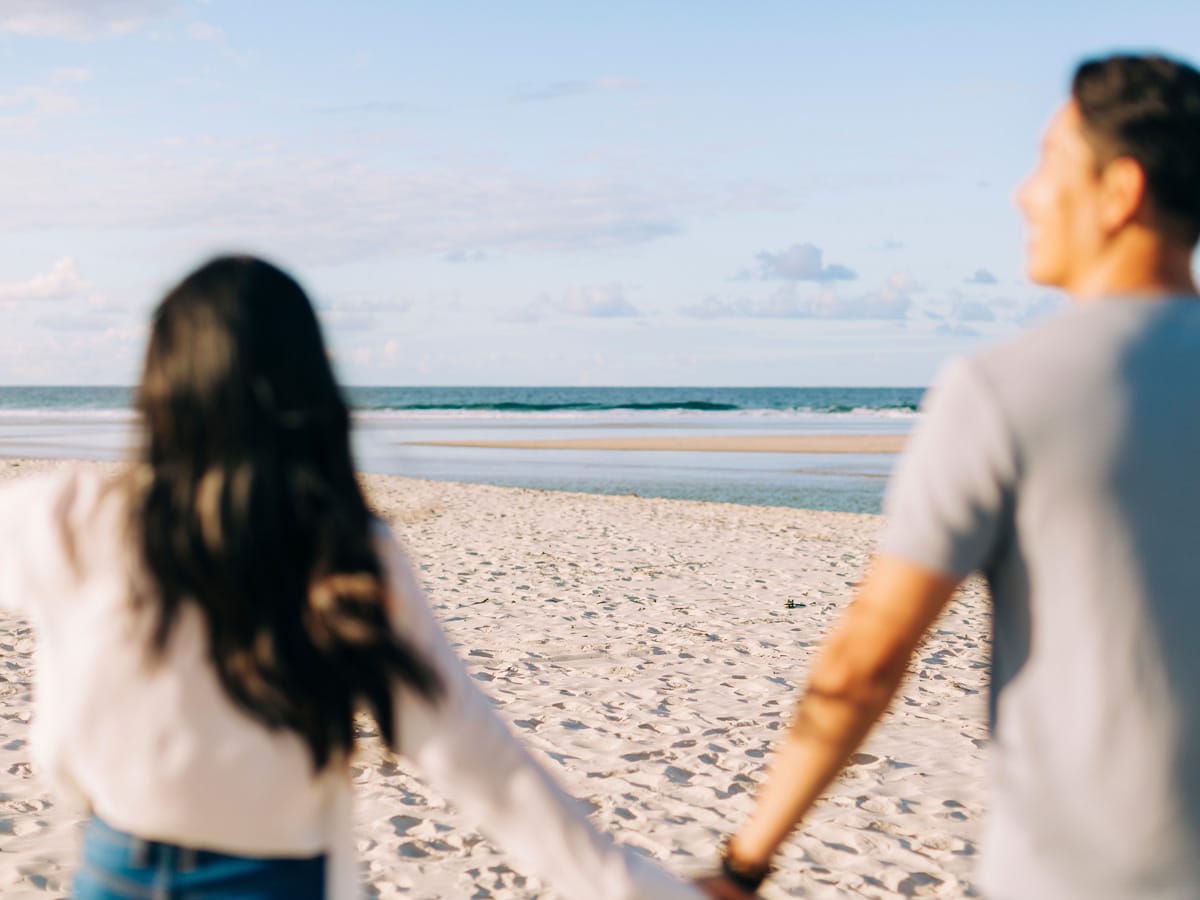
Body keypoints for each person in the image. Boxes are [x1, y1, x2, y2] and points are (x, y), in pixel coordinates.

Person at [0, 256, 703, 899]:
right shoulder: (345, 553)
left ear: (161, 382)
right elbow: (482, 763)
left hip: (115, 875)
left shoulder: (68, 517)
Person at [700, 53, 1200, 899]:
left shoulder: (1008, 389)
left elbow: (869, 656)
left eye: (1048, 163)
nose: (1024, 194)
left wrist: (743, 865)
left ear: (1120, 192)